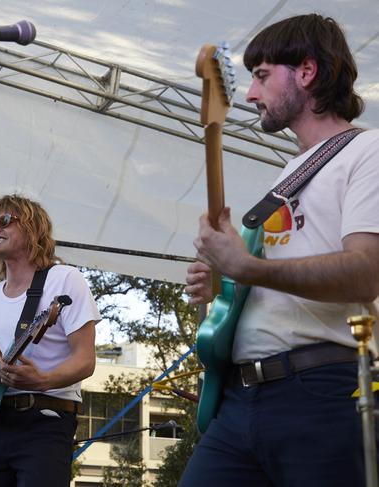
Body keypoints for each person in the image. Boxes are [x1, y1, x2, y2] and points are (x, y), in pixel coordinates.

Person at [180, 14, 379, 486]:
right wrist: (223, 281)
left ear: (306, 72)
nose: (250, 94)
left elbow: (366, 272)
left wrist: (246, 268)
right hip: (241, 399)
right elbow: (266, 283)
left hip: (323, 390)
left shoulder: (367, 152)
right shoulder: (286, 176)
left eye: (262, 76)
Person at [0, 194, 101, 487]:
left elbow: (85, 359)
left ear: (33, 229)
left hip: (47, 420)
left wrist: (42, 380)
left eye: (5, 220)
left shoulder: (65, 280)